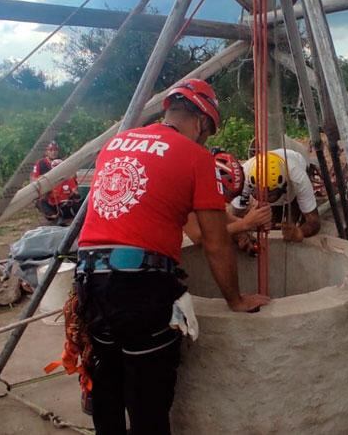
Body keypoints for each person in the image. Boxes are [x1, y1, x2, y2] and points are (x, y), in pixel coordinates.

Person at [76, 78, 269, 434]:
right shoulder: (195, 156)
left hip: (90, 279)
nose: (206, 139)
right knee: (149, 398)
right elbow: (213, 242)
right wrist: (236, 299)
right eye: (208, 131)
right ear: (200, 120)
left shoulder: (116, 143)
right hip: (141, 285)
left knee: (108, 387)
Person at [232, 149, 320, 242]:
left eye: (270, 196)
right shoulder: (244, 177)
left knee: (293, 220)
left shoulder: (298, 178)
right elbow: (235, 213)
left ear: (283, 188)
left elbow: (314, 222)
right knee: (272, 222)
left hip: (297, 160)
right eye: (260, 195)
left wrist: (300, 232)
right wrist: (242, 229)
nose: (265, 199)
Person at [44, 159, 81, 226]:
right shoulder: (48, 182)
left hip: (68, 206)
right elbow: (45, 197)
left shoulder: (69, 179)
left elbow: (76, 194)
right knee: (40, 201)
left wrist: (75, 194)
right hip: (56, 208)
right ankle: (57, 218)